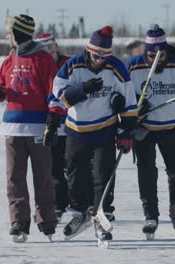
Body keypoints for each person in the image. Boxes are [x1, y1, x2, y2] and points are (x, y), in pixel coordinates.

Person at [48, 25, 137, 242]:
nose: (101, 60)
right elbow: (58, 96)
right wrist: (82, 90)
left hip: (104, 130)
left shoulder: (116, 67)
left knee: (103, 175)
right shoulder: (72, 65)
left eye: (105, 55)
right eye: (97, 55)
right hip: (77, 130)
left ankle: (101, 215)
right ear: (89, 50)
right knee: (75, 174)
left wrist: (125, 131)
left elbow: (129, 100)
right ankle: (80, 214)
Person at [125, 24, 175, 238]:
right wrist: (133, 109)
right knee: (146, 171)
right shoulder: (132, 66)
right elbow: (119, 95)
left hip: (172, 127)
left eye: (160, 55)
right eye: (151, 55)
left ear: (166, 50)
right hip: (144, 129)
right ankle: (150, 215)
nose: (155, 60)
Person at [0, 15, 61, 242]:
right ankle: (19, 223)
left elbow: (53, 93)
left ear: (18, 33)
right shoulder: (9, 60)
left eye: (9, 32)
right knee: (14, 178)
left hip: (37, 129)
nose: (7, 36)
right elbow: (3, 90)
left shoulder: (43, 60)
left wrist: (53, 120)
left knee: (43, 178)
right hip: (12, 128)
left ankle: (46, 221)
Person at [35, 33, 71, 221]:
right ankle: (59, 203)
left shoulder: (69, 64)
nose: (49, 54)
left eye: (52, 50)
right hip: (52, 126)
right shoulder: (40, 67)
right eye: (45, 51)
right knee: (55, 168)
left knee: (74, 167)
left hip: (72, 124)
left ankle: (83, 202)